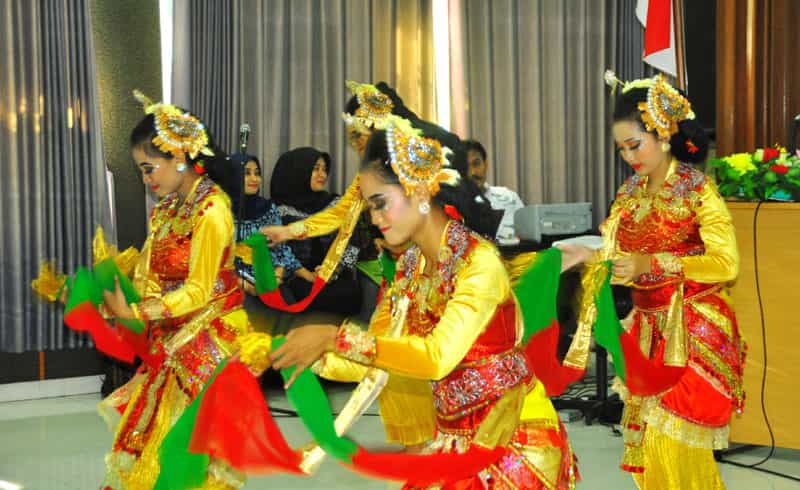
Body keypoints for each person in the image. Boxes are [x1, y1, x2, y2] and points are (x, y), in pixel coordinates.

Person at [266, 120, 581, 489]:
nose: (374, 219)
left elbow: (436, 357)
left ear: (418, 191)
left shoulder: (478, 264)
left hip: (511, 438)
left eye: (380, 204)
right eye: (369, 208)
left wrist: (336, 338)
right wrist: (304, 354)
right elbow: (382, 357)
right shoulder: (411, 266)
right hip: (451, 439)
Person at [574, 72, 745, 489]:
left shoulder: (697, 190)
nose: (628, 156)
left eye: (635, 145)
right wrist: (588, 256)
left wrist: (653, 262)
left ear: (663, 134)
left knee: (673, 446)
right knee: (651, 453)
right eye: (621, 149)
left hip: (690, 332)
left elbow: (726, 264)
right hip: (647, 334)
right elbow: (617, 253)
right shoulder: (629, 192)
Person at [97, 92, 250, 489]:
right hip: (172, 339)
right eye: (141, 171)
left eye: (149, 169)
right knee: (152, 448)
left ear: (180, 156)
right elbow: (148, 277)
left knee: (186, 455)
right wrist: (111, 300)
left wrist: (137, 312)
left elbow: (199, 291)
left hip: (209, 343)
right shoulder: (165, 211)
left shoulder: (212, 210)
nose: (146, 180)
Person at [269, 147, 363, 315]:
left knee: (350, 294)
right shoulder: (279, 210)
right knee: (300, 293)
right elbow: (278, 253)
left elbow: (352, 242)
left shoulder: (337, 204)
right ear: (298, 171)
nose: (322, 175)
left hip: (332, 277)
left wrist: (335, 269)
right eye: (316, 169)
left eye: (324, 169)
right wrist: (305, 274)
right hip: (297, 278)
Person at [464, 139, 526, 242]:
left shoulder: (509, 197)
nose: (472, 172)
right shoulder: (451, 207)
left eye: (476, 164)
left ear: (486, 164)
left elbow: (529, 235)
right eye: (465, 167)